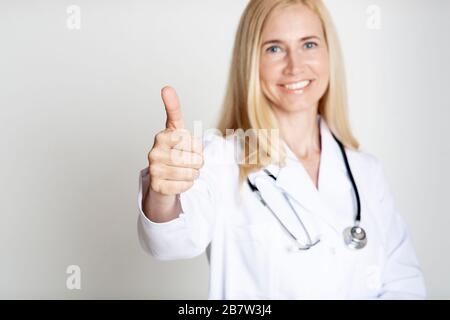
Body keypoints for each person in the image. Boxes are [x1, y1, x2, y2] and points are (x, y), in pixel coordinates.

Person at [137, 0, 426, 299]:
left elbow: (404, 283)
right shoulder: (220, 158)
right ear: (250, 61)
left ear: (329, 54)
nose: (295, 66)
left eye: (309, 44)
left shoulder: (366, 170)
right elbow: (170, 243)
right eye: (274, 48)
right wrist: (163, 193)